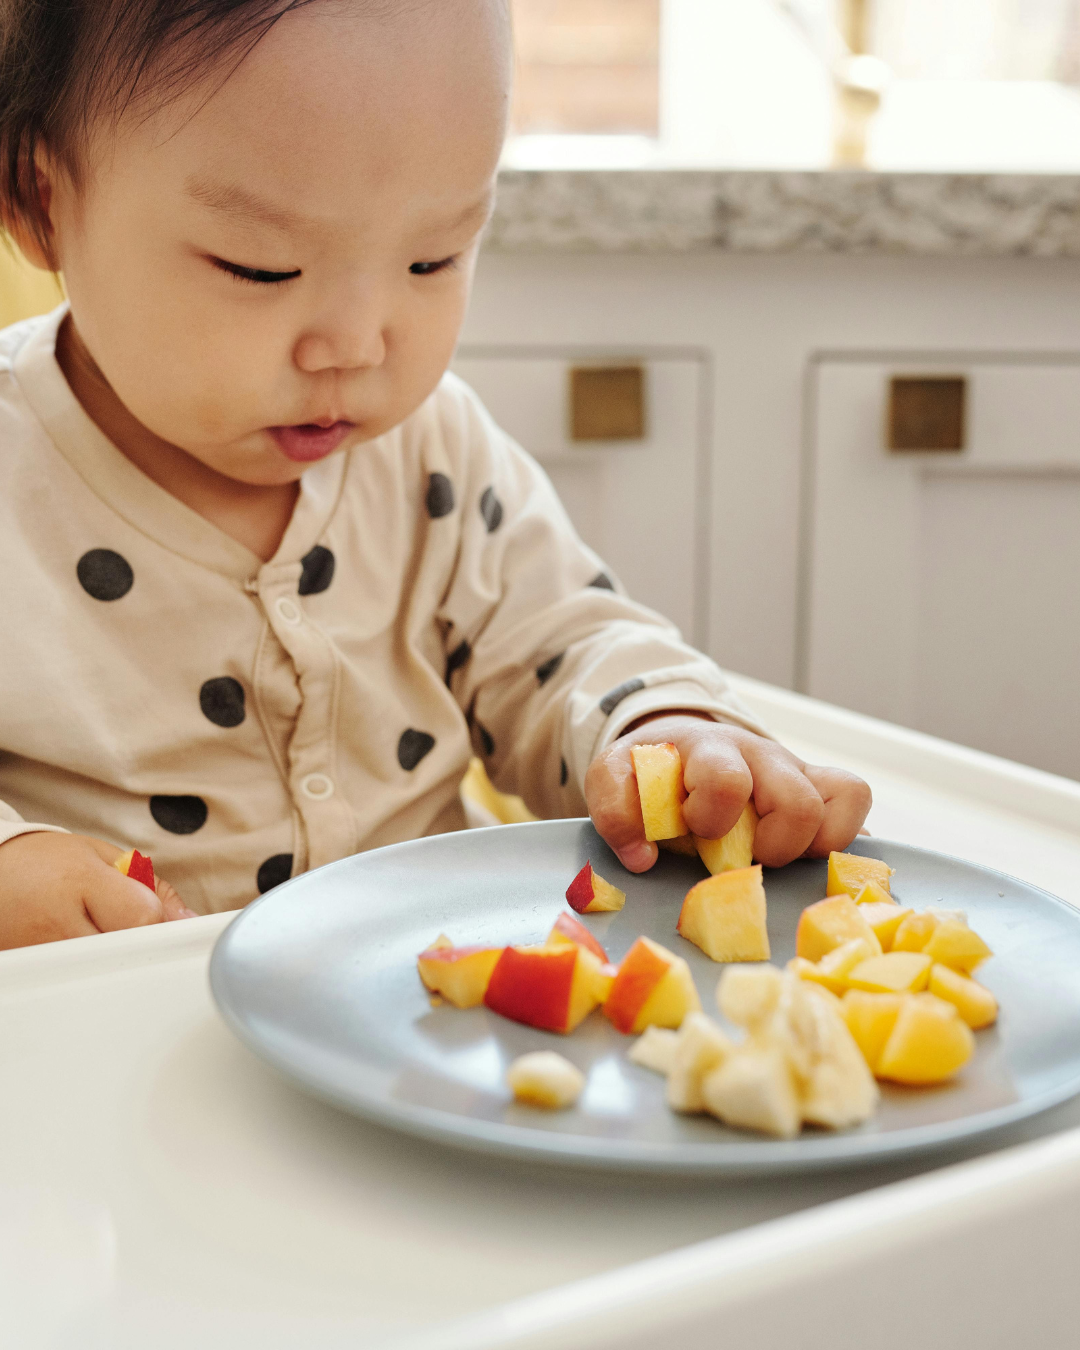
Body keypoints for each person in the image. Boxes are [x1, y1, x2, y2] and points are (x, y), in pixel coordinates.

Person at [0, 0, 870, 948]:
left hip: (427, 1012)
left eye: (432, 258)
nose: (357, 344)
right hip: (123, 1047)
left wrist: (667, 732)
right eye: (261, 268)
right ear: (42, 198)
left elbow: (565, 644)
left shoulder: (434, 450)